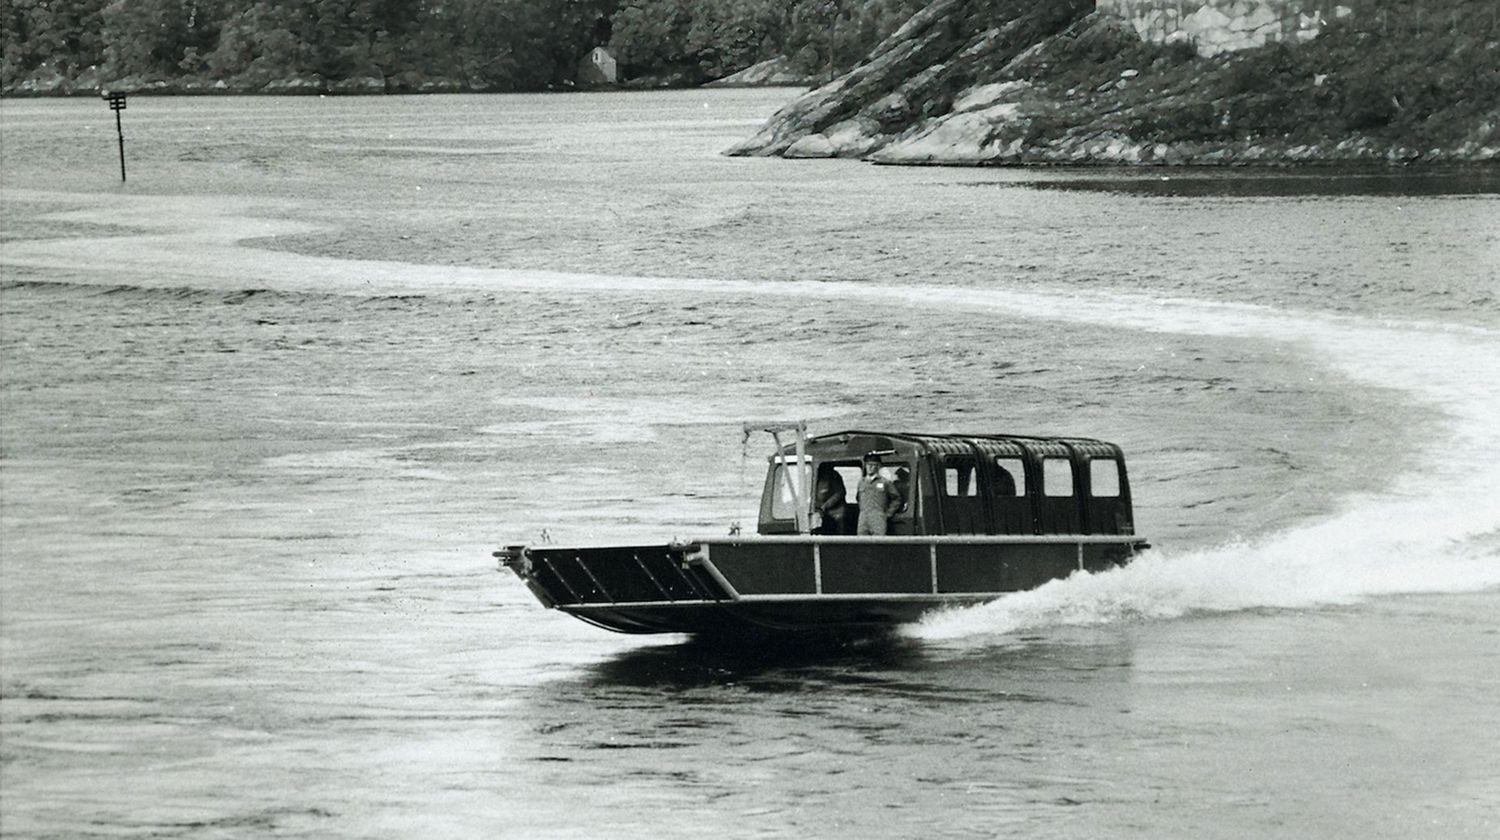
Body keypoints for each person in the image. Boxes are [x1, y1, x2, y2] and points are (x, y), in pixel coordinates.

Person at [856, 453, 902, 536]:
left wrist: (888, 513)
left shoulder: (885, 482)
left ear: (878, 466)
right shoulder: (861, 482)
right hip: (863, 518)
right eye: (868, 465)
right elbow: (858, 498)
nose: (870, 467)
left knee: (878, 543)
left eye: (873, 465)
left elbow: (896, 498)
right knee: (861, 543)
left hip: (878, 517)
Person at [813, 464, 847, 535]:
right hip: (818, 510)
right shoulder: (812, 477)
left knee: (839, 519)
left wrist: (825, 506)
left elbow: (839, 493)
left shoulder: (834, 476)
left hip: (835, 511)